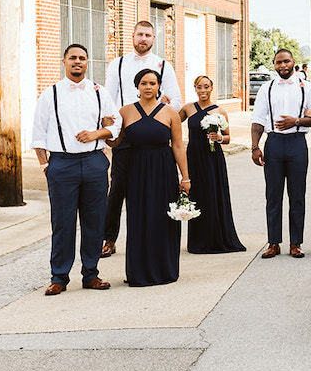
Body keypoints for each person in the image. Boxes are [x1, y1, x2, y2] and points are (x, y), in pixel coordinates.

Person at [32, 44, 119, 296]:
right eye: (73, 58)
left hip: (94, 161)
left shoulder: (100, 92)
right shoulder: (50, 94)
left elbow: (115, 125)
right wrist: (45, 164)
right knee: (63, 222)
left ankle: (91, 273)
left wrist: (97, 132)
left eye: (82, 58)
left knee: (94, 221)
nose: (77, 62)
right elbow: (38, 134)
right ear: (64, 61)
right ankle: (59, 276)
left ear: (87, 62)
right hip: (62, 164)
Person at [102, 20, 182, 258]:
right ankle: (109, 238)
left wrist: (158, 110)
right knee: (118, 188)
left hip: (154, 133)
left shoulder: (164, 65)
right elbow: (109, 100)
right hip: (127, 133)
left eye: (148, 35)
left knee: (155, 189)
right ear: (133, 36)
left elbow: (176, 101)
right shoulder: (117, 64)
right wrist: (115, 127)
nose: (143, 39)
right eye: (140, 34)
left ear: (153, 39)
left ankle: (156, 238)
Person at [115, 68, 190, 287]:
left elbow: (177, 145)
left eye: (153, 83)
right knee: (138, 218)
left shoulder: (170, 112)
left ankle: (164, 269)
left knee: (162, 218)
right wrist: (101, 129)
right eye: (144, 83)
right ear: (137, 86)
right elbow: (115, 142)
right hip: (136, 170)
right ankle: (139, 272)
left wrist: (185, 177)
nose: (149, 87)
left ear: (159, 86)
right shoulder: (125, 112)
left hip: (163, 169)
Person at [251, 48, 311, 258]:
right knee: (273, 196)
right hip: (273, 143)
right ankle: (273, 243)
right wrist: (255, 147)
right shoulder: (267, 88)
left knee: (297, 195)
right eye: (278, 62)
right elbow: (257, 118)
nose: (282, 65)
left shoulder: (307, 88)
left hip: (297, 143)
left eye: (286, 61)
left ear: (293, 62)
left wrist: (297, 121)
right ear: (274, 64)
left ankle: (296, 243)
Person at [179, 75, 245, 254]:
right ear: (195, 88)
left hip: (212, 157)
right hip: (193, 156)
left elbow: (228, 137)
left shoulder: (220, 112)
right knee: (197, 195)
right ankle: (198, 240)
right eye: (199, 87)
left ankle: (216, 238)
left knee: (212, 194)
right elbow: (173, 124)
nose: (203, 90)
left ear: (211, 88)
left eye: (206, 87)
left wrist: (220, 137)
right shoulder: (187, 108)